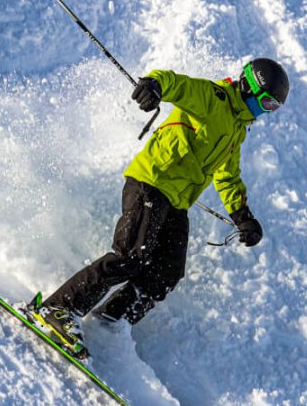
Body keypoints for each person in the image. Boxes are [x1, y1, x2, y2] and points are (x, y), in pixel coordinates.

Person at [24, 58, 290, 360]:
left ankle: (109, 322)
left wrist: (243, 216)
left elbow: (227, 176)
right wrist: (154, 85)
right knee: (131, 254)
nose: (266, 111)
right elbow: (177, 84)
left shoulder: (236, 130)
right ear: (250, 86)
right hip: (151, 182)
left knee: (168, 271)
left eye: (274, 108)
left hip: (176, 201)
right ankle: (59, 308)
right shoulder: (212, 97)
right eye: (267, 103)